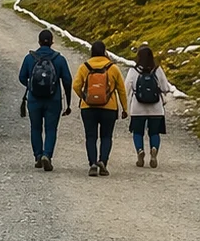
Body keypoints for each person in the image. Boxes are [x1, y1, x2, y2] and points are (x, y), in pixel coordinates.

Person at [17, 29, 72, 171]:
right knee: (51, 129)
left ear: (39, 42)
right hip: (53, 100)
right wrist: (68, 101)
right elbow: (67, 80)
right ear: (52, 42)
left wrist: (32, 86)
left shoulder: (30, 58)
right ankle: (47, 154)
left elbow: (22, 77)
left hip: (34, 100)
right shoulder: (59, 59)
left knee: (35, 128)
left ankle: (37, 156)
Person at [72, 41, 128, 177]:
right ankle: (103, 161)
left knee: (91, 137)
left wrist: (84, 97)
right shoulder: (113, 68)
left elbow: (76, 85)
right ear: (104, 51)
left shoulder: (84, 67)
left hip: (88, 108)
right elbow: (121, 89)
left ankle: (92, 163)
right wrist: (124, 108)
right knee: (106, 136)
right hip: (109, 107)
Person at [124, 44, 180, 168]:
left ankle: (140, 150)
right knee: (154, 133)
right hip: (156, 109)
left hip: (137, 109)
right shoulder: (157, 70)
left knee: (137, 132)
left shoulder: (133, 71)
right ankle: (154, 150)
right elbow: (165, 88)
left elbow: (126, 88)